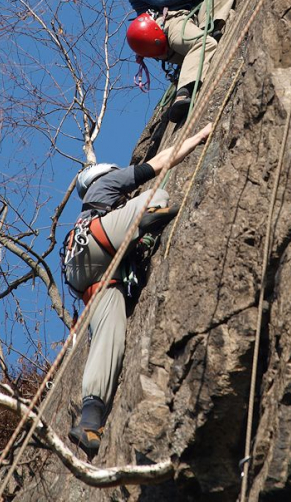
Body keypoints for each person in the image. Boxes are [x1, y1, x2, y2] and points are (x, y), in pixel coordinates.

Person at [64, 123, 212, 458]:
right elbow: (158, 163)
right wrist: (198, 137)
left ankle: (90, 419)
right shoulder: (105, 184)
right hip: (98, 238)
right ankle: (148, 217)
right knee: (155, 196)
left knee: (108, 338)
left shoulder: (88, 208)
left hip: (87, 274)